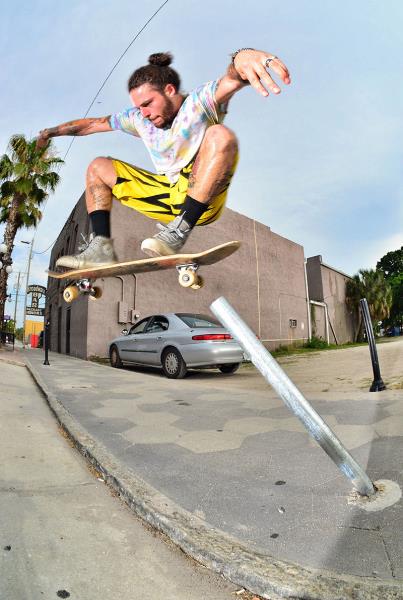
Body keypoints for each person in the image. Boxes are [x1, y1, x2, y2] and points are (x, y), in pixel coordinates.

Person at [37, 48, 291, 268]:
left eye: (148, 103)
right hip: (167, 195)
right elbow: (92, 124)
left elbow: (232, 79)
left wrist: (243, 57)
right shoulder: (138, 118)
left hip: (202, 197)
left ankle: (181, 230)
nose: (144, 114)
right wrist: (50, 132)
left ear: (169, 90)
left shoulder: (199, 103)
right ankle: (101, 247)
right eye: (139, 108)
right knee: (98, 167)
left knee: (220, 135)